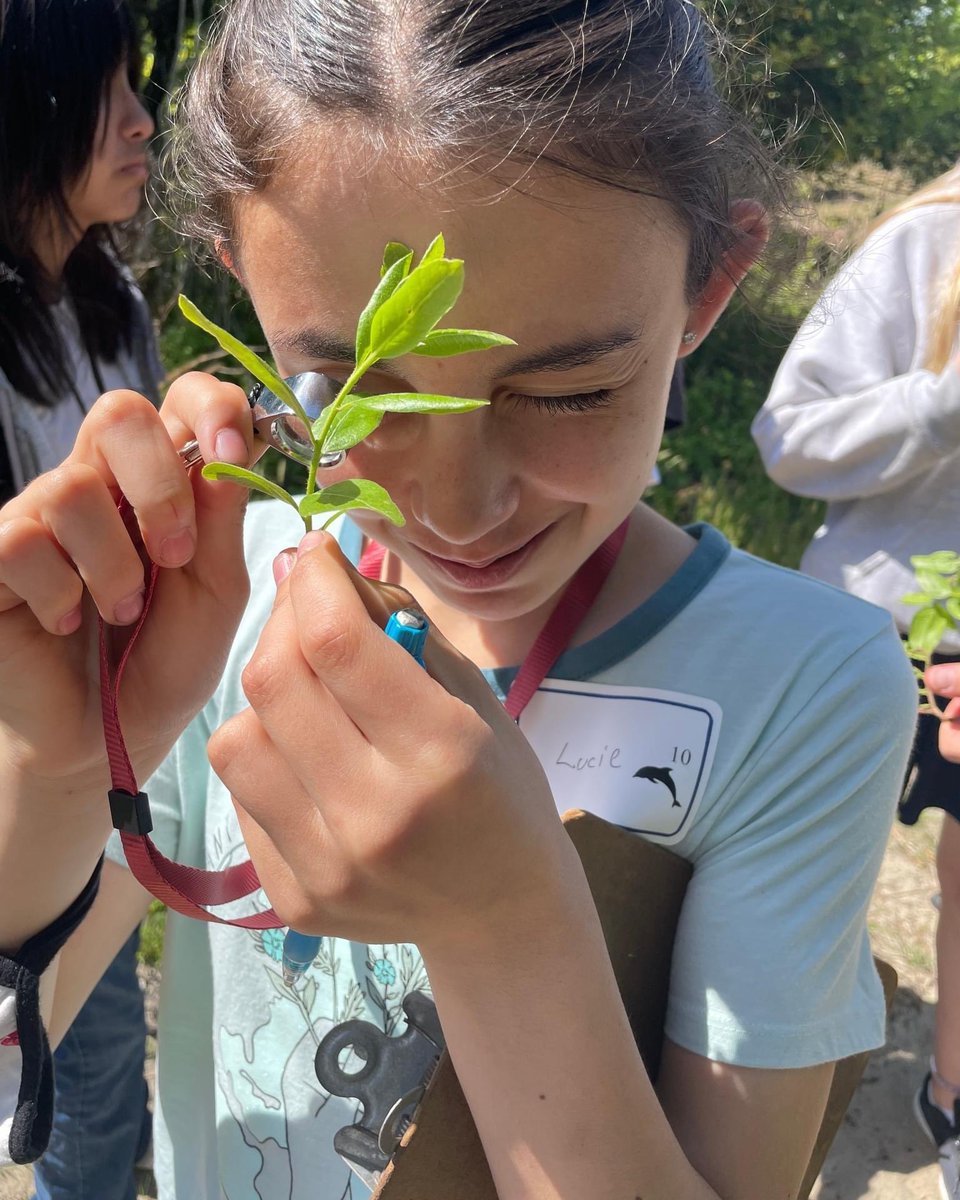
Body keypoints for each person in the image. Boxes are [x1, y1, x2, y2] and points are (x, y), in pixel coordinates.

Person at [0, 1, 918, 1197]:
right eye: (347, 388)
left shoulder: (813, 685)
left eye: (573, 391)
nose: (460, 507)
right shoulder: (213, 616)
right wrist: (61, 775)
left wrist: (506, 920)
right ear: (244, 278)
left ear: (710, 285)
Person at [752, 167, 960, 1199]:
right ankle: (751, 1106)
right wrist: (944, 402)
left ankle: (951, 1100)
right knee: (804, 883)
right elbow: (785, 438)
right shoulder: (926, 243)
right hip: (875, 633)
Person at [0, 2, 162, 1197]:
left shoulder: (115, 308)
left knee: (104, 1096)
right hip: (20, 799)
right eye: (105, 95)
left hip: (117, 766)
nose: (141, 123)